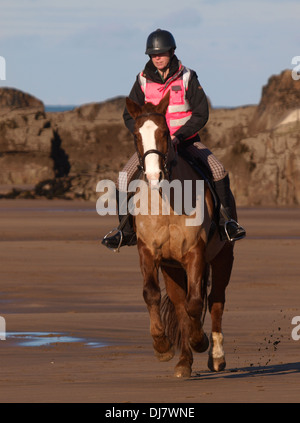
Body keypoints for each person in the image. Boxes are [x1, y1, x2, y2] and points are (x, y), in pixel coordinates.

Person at [102, 29, 246, 250]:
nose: (157, 58)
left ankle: (226, 223)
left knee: (218, 171)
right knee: (123, 178)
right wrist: (144, 134)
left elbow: (201, 113)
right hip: (154, 147)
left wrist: (178, 136)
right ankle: (125, 231)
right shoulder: (141, 80)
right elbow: (127, 115)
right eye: (153, 54)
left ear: (172, 52)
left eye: (161, 53)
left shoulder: (188, 76)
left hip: (185, 141)